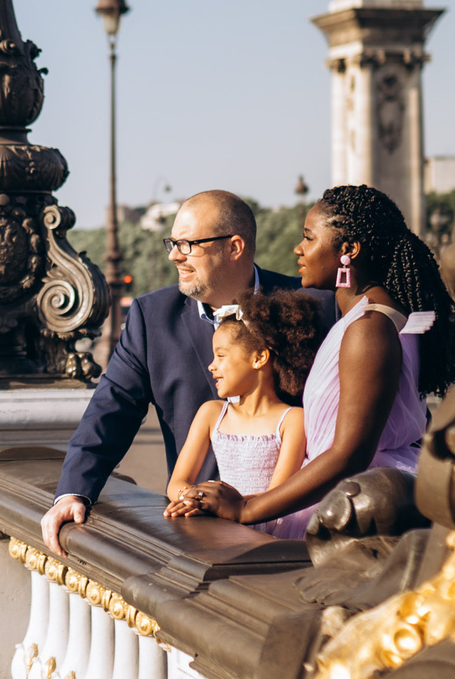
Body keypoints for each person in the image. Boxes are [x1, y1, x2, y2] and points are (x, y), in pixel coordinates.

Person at [175, 184, 455, 538]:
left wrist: (247, 508)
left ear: (348, 251)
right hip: (359, 491)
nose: (299, 249)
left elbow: (348, 455)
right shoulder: (370, 318)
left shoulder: (368, 328)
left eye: (309, 239)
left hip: (358, 503)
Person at [42, 190, 320, 554]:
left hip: (296, 534)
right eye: (172, 243)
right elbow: (113, 407)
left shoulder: (313, 306)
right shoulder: (151, 317)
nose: (174, 255)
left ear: (234, 247)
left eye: (188, 244)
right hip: (195, 537)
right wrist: (74, 490)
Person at [161, 290, 319, 518]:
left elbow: (278, 495)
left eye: (221, 356)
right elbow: (177, 483)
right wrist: (195, 498)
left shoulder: (293, 420)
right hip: (218, 529)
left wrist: (224, 505)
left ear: (258, 358)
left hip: (267, 533)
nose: (211, 366)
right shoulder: (211, 413)